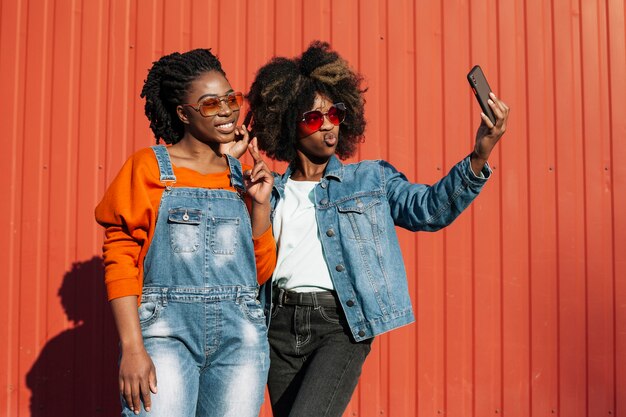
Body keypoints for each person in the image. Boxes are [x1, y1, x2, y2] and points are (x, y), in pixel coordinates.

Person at [245, 41, 509, 417]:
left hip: (339, 326)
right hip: (276, 327)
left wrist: (479, 154)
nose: (329, 126)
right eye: (313, 118)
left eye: (335, 113)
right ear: (288, 124)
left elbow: (430, 210)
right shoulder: (268, 190)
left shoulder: (370, 179)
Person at [95, 48, 276, 417]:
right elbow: (120, 259)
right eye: (210, 104)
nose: (226, 110)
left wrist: (259, 204)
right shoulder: (148, 167)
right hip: (165, 336)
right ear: (183, 113)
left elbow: (257, 275)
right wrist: (132, 348)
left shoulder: (239, 175)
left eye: (231, 98)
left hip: (240, 340)